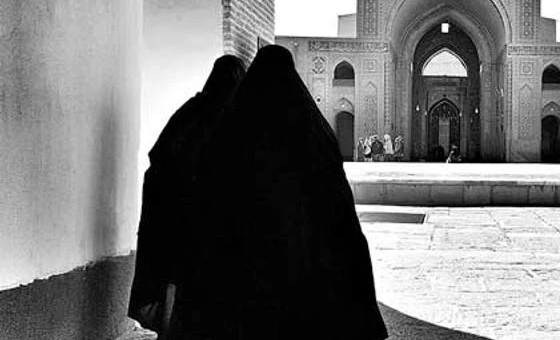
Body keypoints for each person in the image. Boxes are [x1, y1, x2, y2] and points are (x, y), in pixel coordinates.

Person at [174, 45, 387, 340]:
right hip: (305, 255)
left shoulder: (232, 129)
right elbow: (336, 202)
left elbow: (210, 195)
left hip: (243, 259)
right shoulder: (314, 130)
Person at [129, 55, 246, 337]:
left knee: (176, 284)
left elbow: (158, 161)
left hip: (177, 220)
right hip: (215, 226)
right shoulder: (238, 119)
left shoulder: (190, 112)